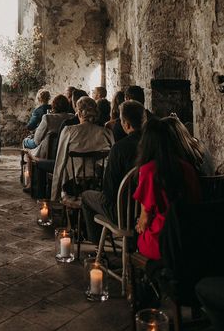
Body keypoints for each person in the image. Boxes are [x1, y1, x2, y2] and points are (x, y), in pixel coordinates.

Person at [134, 118, 201, 260]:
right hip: (187, 235)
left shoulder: (149, 170)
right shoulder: (187, 167)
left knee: (136, 235)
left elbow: (144, 220)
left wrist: (140, 226)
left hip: (161, 239)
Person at [81, 100, 145, 244]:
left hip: (123, 213)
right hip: (146, 211)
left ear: (126, 124)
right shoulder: (154, 144)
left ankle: (95, 246)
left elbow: (109, 191)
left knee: (86, 197)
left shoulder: (120, 148)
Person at [51, 96, 114, 201]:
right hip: (99, 186)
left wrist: (54, 197)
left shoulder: (69, 131)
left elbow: (60, 162)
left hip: (74, 186)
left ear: (79, 113)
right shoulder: (107, 133)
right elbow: (112, 162)